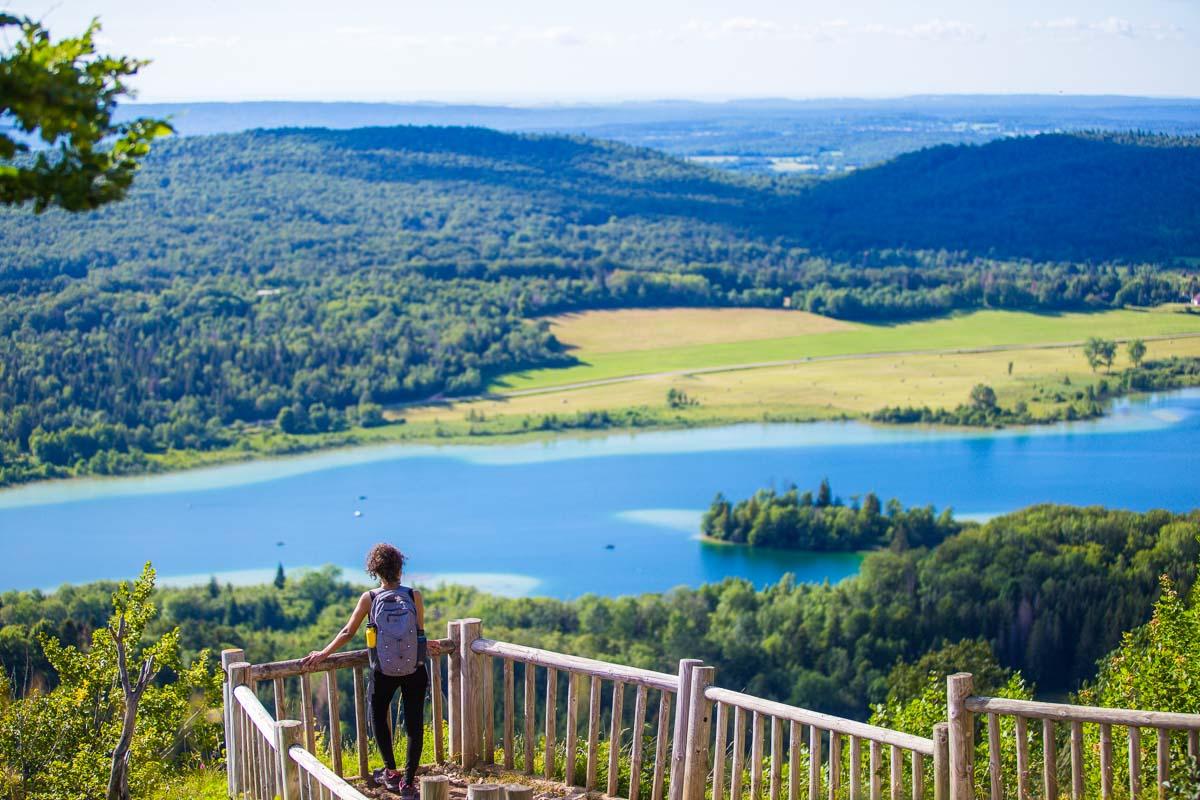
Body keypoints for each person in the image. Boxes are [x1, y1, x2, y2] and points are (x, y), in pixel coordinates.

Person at [301, 543, 444, 797]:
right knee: (414, 725)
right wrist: (426, 643)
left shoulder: (370, 597)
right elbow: (419, 632)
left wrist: (324, 653)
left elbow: (348, 631)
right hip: (415, 668)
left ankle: (391, 771)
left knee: (377, 716)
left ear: (375, 571)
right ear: (400, 568)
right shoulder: (414, 595)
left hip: (383, 670)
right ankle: (409, 783)